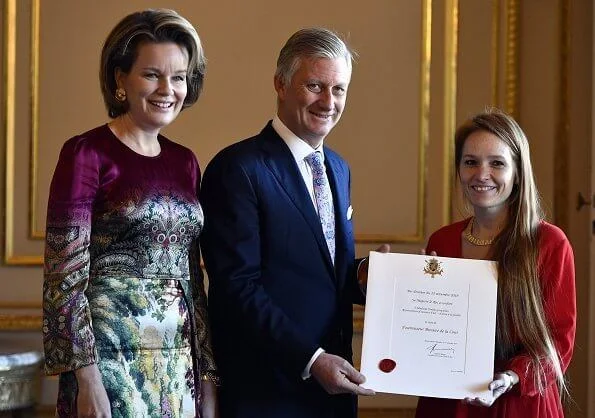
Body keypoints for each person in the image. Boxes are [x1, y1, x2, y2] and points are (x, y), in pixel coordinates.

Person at [200, 28, 386, 418]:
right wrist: (311, 358)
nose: (329, 102)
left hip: (334, 391)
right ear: (280, 84)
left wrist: (368, 276)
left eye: (339, 90)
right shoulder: (238, 169)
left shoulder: (338, 168)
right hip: (267, 391)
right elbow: (236, 288)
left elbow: (318, 272)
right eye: (315, 86)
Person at [42, 9, 217, 417]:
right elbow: (62, 280)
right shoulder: (86, 153)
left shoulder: (186, 162)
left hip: (177, 367)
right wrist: (87, 380)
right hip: (108, 365)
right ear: (121, 79)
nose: (168, 89)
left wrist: (207, 377)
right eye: (152, 74)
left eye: (178, 77)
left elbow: (194, 281)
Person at [415, 109, 576, 418]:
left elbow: (558, 343)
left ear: (517, 173)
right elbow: (429, 334)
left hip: (519, 401)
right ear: (459, 169)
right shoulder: (441, 242)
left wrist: (512, 377)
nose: (481, 174)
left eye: (497, 163)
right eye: (471, 162)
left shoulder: (550, 244)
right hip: (447, 402)